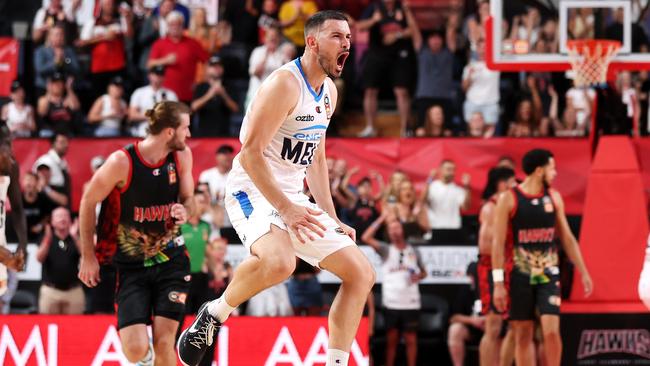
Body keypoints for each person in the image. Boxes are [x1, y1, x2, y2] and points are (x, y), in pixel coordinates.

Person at [177, 11, 375, 366]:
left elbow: (315, 157)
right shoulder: (284, 84)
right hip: (251, 187)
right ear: (312, 42)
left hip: (292, 195)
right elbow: (250, 155)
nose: (346, 43)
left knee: (361, 274)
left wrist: (331, 217)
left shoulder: (328, 90)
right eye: (336, 36)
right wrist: (286, 209)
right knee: (280, 262)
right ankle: (214, 314)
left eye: (348, 36)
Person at [78, 101, 195, 366]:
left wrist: (185, 210)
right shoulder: (122, 162)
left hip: (172, 262)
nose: (189, 135)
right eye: (185, 128)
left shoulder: (182, 156)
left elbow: (191, 200)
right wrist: (88, 256)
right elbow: (87, 201)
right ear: (169, 132)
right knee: (134, 348)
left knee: (165, 342)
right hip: (131, 266)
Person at [492, 149, 594, 366]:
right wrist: (498, 282)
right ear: (539, 171)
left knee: (551, 331)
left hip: (547, 273)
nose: (555, 173)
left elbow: (567, 238)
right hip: (520, 273)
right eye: (552, 168)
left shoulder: (554, 197)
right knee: (523, 334)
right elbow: (497, 244)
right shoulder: (509, 198)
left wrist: (583, 271)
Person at [362, 213, 426, 366]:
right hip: (392, 302)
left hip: (411, 302)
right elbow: (366, 237)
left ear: (403, 230)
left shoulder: (414, 250)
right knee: (392, 340)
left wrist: (419, 276)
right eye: (390, 229)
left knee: (411, 340)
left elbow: (424, 272)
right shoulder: (385, 249)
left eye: (396, 227)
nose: (394, 231)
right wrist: (381, 219)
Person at [357, 0, 417, 137]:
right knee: (370, 90)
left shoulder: (403, 7)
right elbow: (360, 27)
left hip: (399, 54)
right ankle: (370, 127)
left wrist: (397, 35)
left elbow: (413, 30)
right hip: (377, 53)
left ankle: (405, 129)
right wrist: (374, 20)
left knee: (401, 91)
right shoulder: (374, 7)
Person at [477, 167, 516, 366]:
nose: (516, 186)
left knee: (514, 326)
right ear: (502, 183)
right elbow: (486, 246)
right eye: (512, 182)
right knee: (493, 327)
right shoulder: (492, 206)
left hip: (505, 266)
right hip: (492, 268)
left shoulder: (507, 204)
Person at [148, 11, 209, 103]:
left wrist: (200, 82)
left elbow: (207, 62)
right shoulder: (159, 43)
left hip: (186, 94)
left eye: (178, 24)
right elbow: (150, 64)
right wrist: (165, 60)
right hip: (165, 95)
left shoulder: (193, 43)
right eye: (172, 24)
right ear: (167, 26)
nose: (175, 27)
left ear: (183, 26)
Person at [36, 207, 84, 314]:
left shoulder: (76, 238)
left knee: (76, 328)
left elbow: (86, 255)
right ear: (52, 222)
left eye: (65, 216)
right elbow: (39, 258)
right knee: (48, 327)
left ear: (71, 220)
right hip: (50, 291)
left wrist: (75, 236)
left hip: (73, 291)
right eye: (58, 216)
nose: (62, 219)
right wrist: (48, 239)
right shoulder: (46, 238)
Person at [0, 124, 28, 299]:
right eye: (6, 143)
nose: (10, 149)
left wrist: (22, 244)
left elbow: (17, 209)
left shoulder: (11, 166)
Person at [422, 160, 471, 244]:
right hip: (435, 229)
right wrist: (429, 179)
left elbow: (465, 207)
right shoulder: (432, 186)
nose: (451, 172)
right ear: (440, 170)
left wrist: (467, 187)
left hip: (453, 229)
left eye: (453, 170)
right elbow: (423, 200)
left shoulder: (458, 190)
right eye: (448, 169)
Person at [190, 55, 239, 136]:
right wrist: (209, 95)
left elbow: (236, 109)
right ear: (207, 69)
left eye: (219, 66)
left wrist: (224, 95)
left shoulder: (229, 86)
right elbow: (193, 107)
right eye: (213, 66)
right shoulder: (201, 86)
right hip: (203, 134)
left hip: (224, 133)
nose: (216, 69)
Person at [128, 65, 179, 137]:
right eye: (156, 74)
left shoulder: (171, 94)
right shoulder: (139, 92)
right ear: (150, 75)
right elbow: (132, 115)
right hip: (143, 133)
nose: (158, 77)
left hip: (164, 134)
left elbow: (177, 116)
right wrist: (151, 116)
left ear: (164, 77)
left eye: (161, 75)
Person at [32, 133, 72, 203]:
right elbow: (40, 185)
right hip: (49, 203)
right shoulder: (45, 161)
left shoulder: (63, 162)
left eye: (66, 142)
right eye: (62, 142)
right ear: (53, 144)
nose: (66, 145)